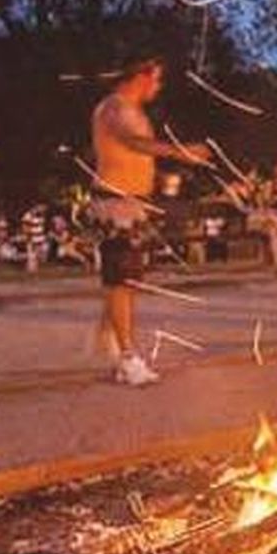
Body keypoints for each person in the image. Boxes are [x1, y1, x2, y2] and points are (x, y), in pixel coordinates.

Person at [89, 54, 211, 386]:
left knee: (127, 279)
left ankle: (113, 341)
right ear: (140, 76)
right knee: (121, 280)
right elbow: (133, 142)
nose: (158, 87)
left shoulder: (133, 111)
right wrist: (180, 151)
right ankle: (127, 358)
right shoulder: (114, 108)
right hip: (116, 206)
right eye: (155, 79)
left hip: (133, 205)